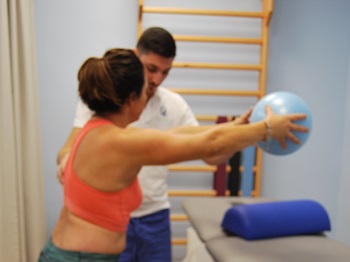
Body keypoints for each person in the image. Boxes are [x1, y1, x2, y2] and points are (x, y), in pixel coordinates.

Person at [40, 47, 308, 262]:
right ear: (133, 98)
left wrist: (236, 126)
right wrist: (267, 129)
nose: (150, 94)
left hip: (74, 254)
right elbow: (210, 145)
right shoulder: (120, 142)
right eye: (146, 91)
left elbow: (176, 136)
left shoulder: (98, 130)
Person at [56, 27, 231, 261]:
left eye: (165, 72)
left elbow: (211, 152)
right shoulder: (104, 98)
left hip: (154, 215)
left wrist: (241, 133)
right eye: (151, 69)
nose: (157, 79)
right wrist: (66, 160)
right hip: (112, 219)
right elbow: (69, 148)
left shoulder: (174, 104)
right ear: (135, 56)